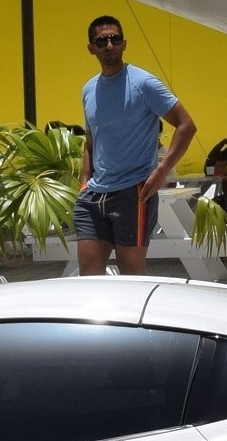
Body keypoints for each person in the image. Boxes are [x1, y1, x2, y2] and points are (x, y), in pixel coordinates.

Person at [75, 14, 196, 275]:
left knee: (130, 277)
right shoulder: (89, 90)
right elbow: (91, 140)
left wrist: (162, 170)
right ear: (91, 48)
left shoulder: (143, 84)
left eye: (115, 39)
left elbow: (186, 125)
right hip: (94, 196)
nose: (109, 45)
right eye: (102, 41)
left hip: (133, 193)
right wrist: (84, 182)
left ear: (124, 43)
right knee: (88, 277)